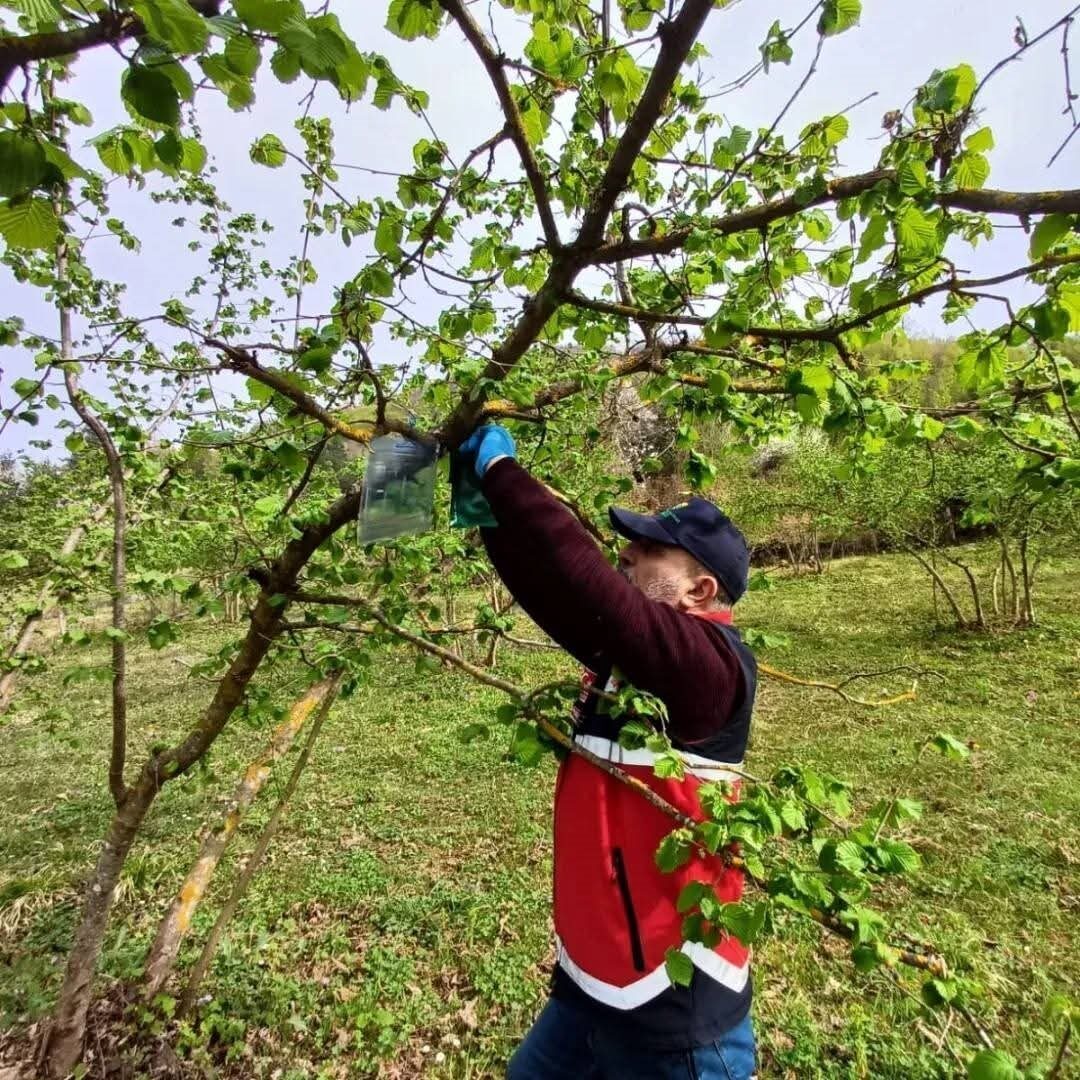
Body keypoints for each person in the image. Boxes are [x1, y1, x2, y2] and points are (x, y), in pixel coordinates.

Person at [456, 424, 759, 1080]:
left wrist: (505, 473)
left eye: (649, 551)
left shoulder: (709, 668)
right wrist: (490, 513)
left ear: (701, 591)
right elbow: (558, 595)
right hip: (594, 979)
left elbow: (597, 592)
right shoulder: (635, 660)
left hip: (675, 1007)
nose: (625, 553)